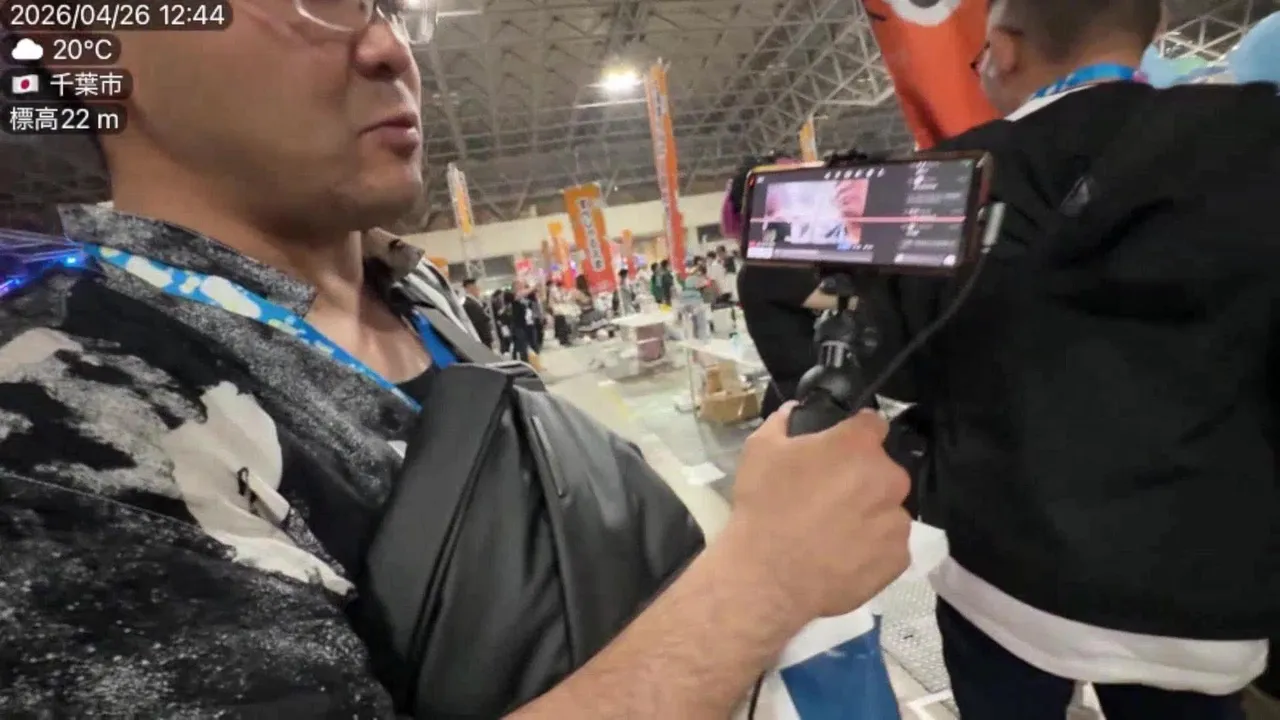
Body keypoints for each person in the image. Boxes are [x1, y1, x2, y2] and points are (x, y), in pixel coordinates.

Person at [0, 4, 917, 717]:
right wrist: (764, 577)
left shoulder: (415, 285)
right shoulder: (64, 416)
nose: (389, 48)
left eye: (392, 6)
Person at [868, 0, 1280, 717]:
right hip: (1202, 600)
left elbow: (902, 365)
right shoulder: (1257, 144)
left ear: (1003, 49)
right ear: (1150, 34)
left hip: (1002, 578)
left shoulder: (948, 179)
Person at [723, 156, 839, 419]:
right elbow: (845, 300)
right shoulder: (768, 266)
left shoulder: (764, 263)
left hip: (801, 394)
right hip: (811, 400)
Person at [461, 277, 494, 348]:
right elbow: (478, 323)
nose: (478, 290)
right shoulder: (470, 304)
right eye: (475, 287)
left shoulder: (474, 302)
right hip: (482, 339)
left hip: (483, 338)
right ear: (469, 288)